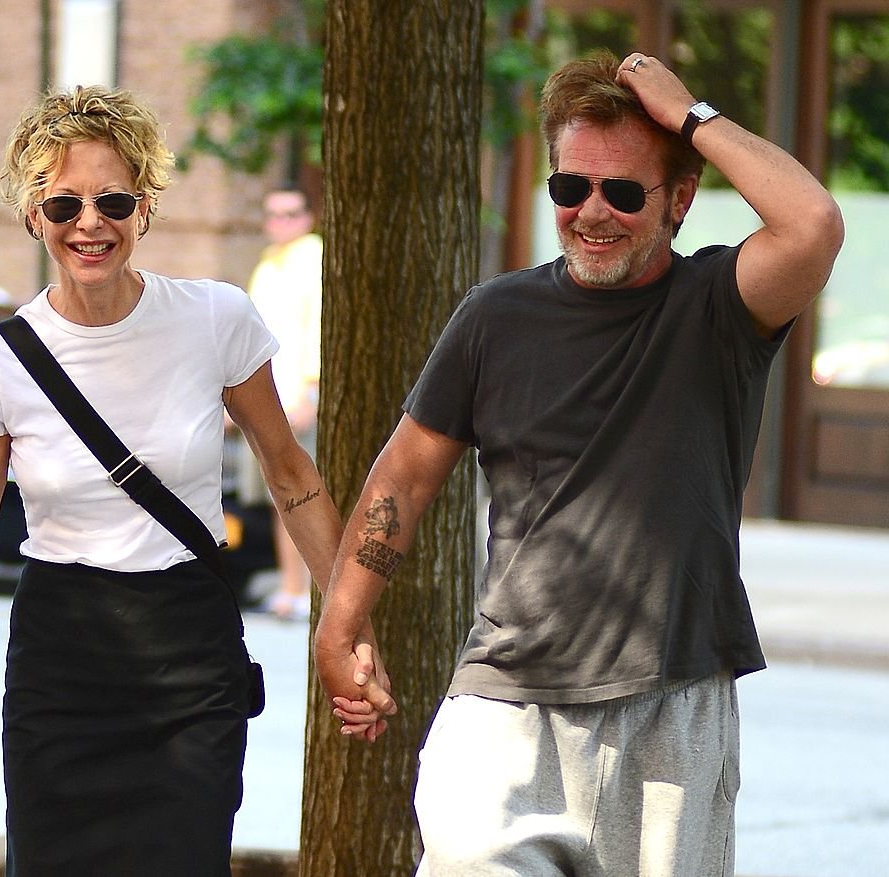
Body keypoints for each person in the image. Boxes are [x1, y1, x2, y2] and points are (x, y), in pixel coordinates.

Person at [314, 50, 844, 876]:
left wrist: (689, 115)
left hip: (672, 710)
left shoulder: (722, 306)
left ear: (679, 200)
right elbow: (405, 475)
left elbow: (812, 223)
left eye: (625, 192)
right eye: (570, 187)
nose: (592, 212)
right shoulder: (493, 317)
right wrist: (342, 620)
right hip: (505, 706)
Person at [0, 85, 363, 876]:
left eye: (113, 200)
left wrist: (347, 626)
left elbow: (292, 478)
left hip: (190, 658)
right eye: (63, 204)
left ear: (144, 207)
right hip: (60, 665)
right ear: (33, 213)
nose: (90, 223)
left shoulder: (216, 320)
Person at [238, 186, 323, 620]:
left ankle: (311, 589)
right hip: (272, 397)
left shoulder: (313, 258)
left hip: (300, 397)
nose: (282, 223)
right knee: (281, 496)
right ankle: (292, 587)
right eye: (274, 215)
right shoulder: (268, 264)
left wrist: (311, 390)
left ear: (308, 218)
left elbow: (318, 329)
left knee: (304, 493)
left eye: (291, 213)